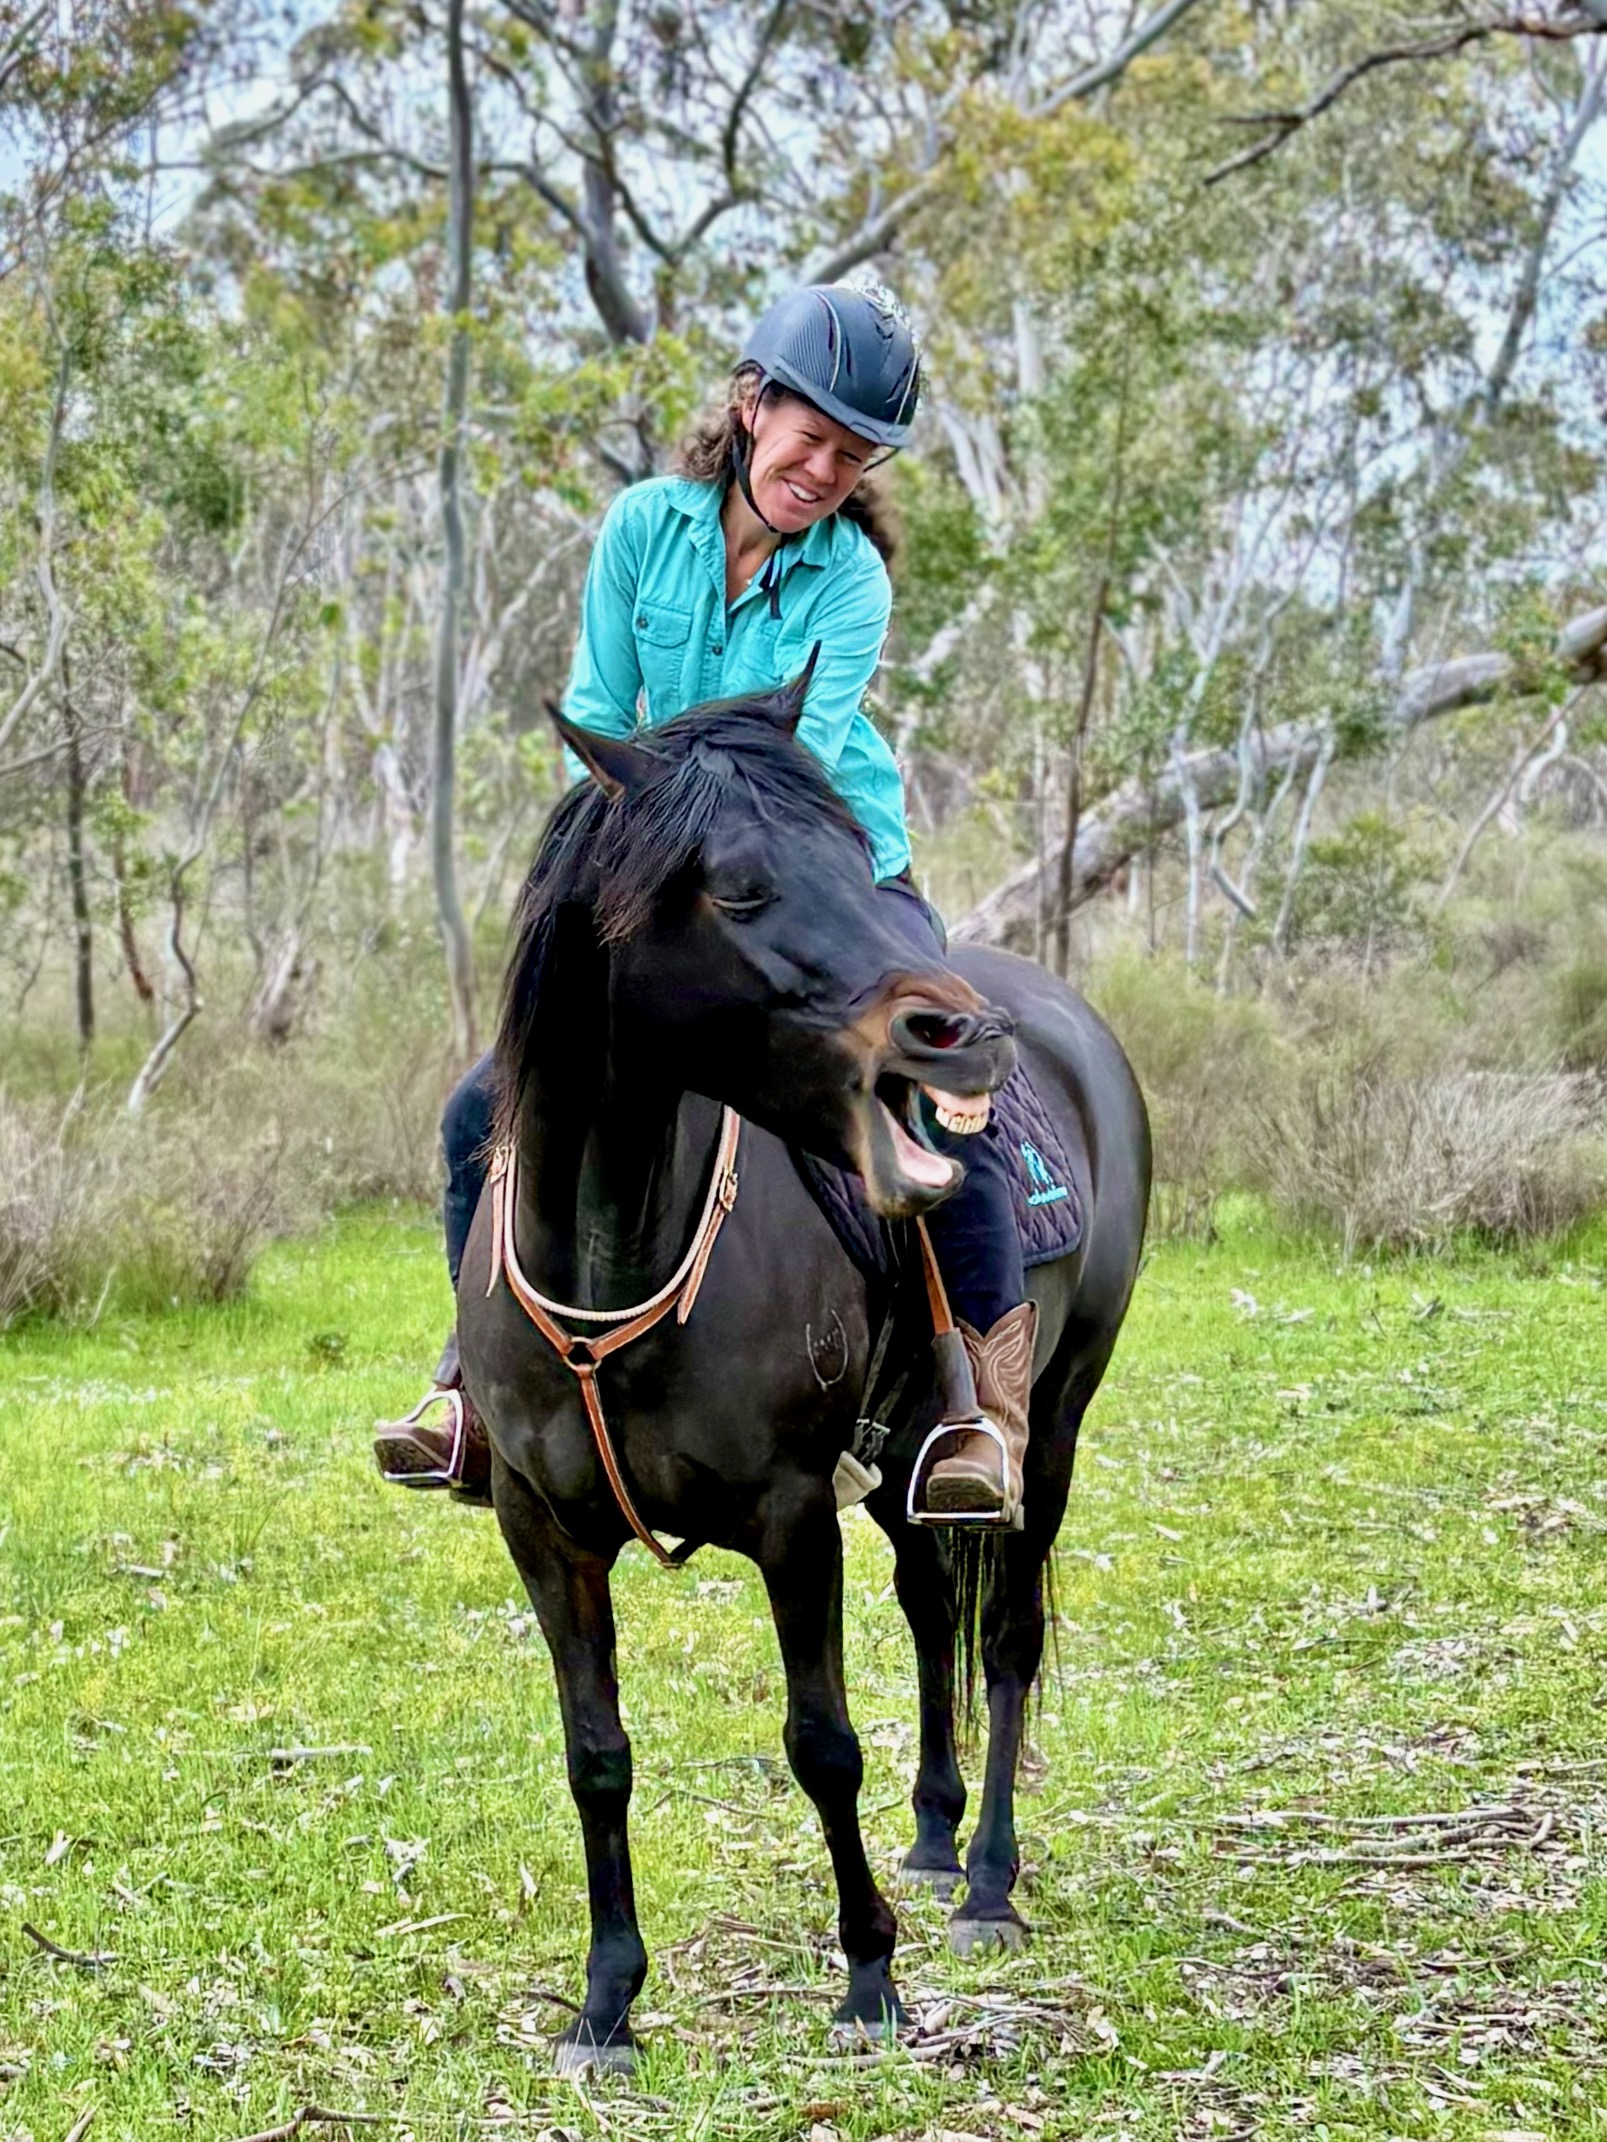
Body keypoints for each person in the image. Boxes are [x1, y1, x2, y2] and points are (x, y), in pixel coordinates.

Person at [374, 278, 1035, 1526]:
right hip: (660, 879)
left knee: (941, 1083)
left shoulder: (851, 585)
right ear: (749, 406)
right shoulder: (642, 530)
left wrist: (660, 781)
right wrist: (652, 830)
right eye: (809, 437)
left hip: (836, 875)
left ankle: (969, 1404)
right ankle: (468, 1385)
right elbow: (601, 713)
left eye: (852, 454)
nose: (823, 468)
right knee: (486, 1101)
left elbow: (789, 769)